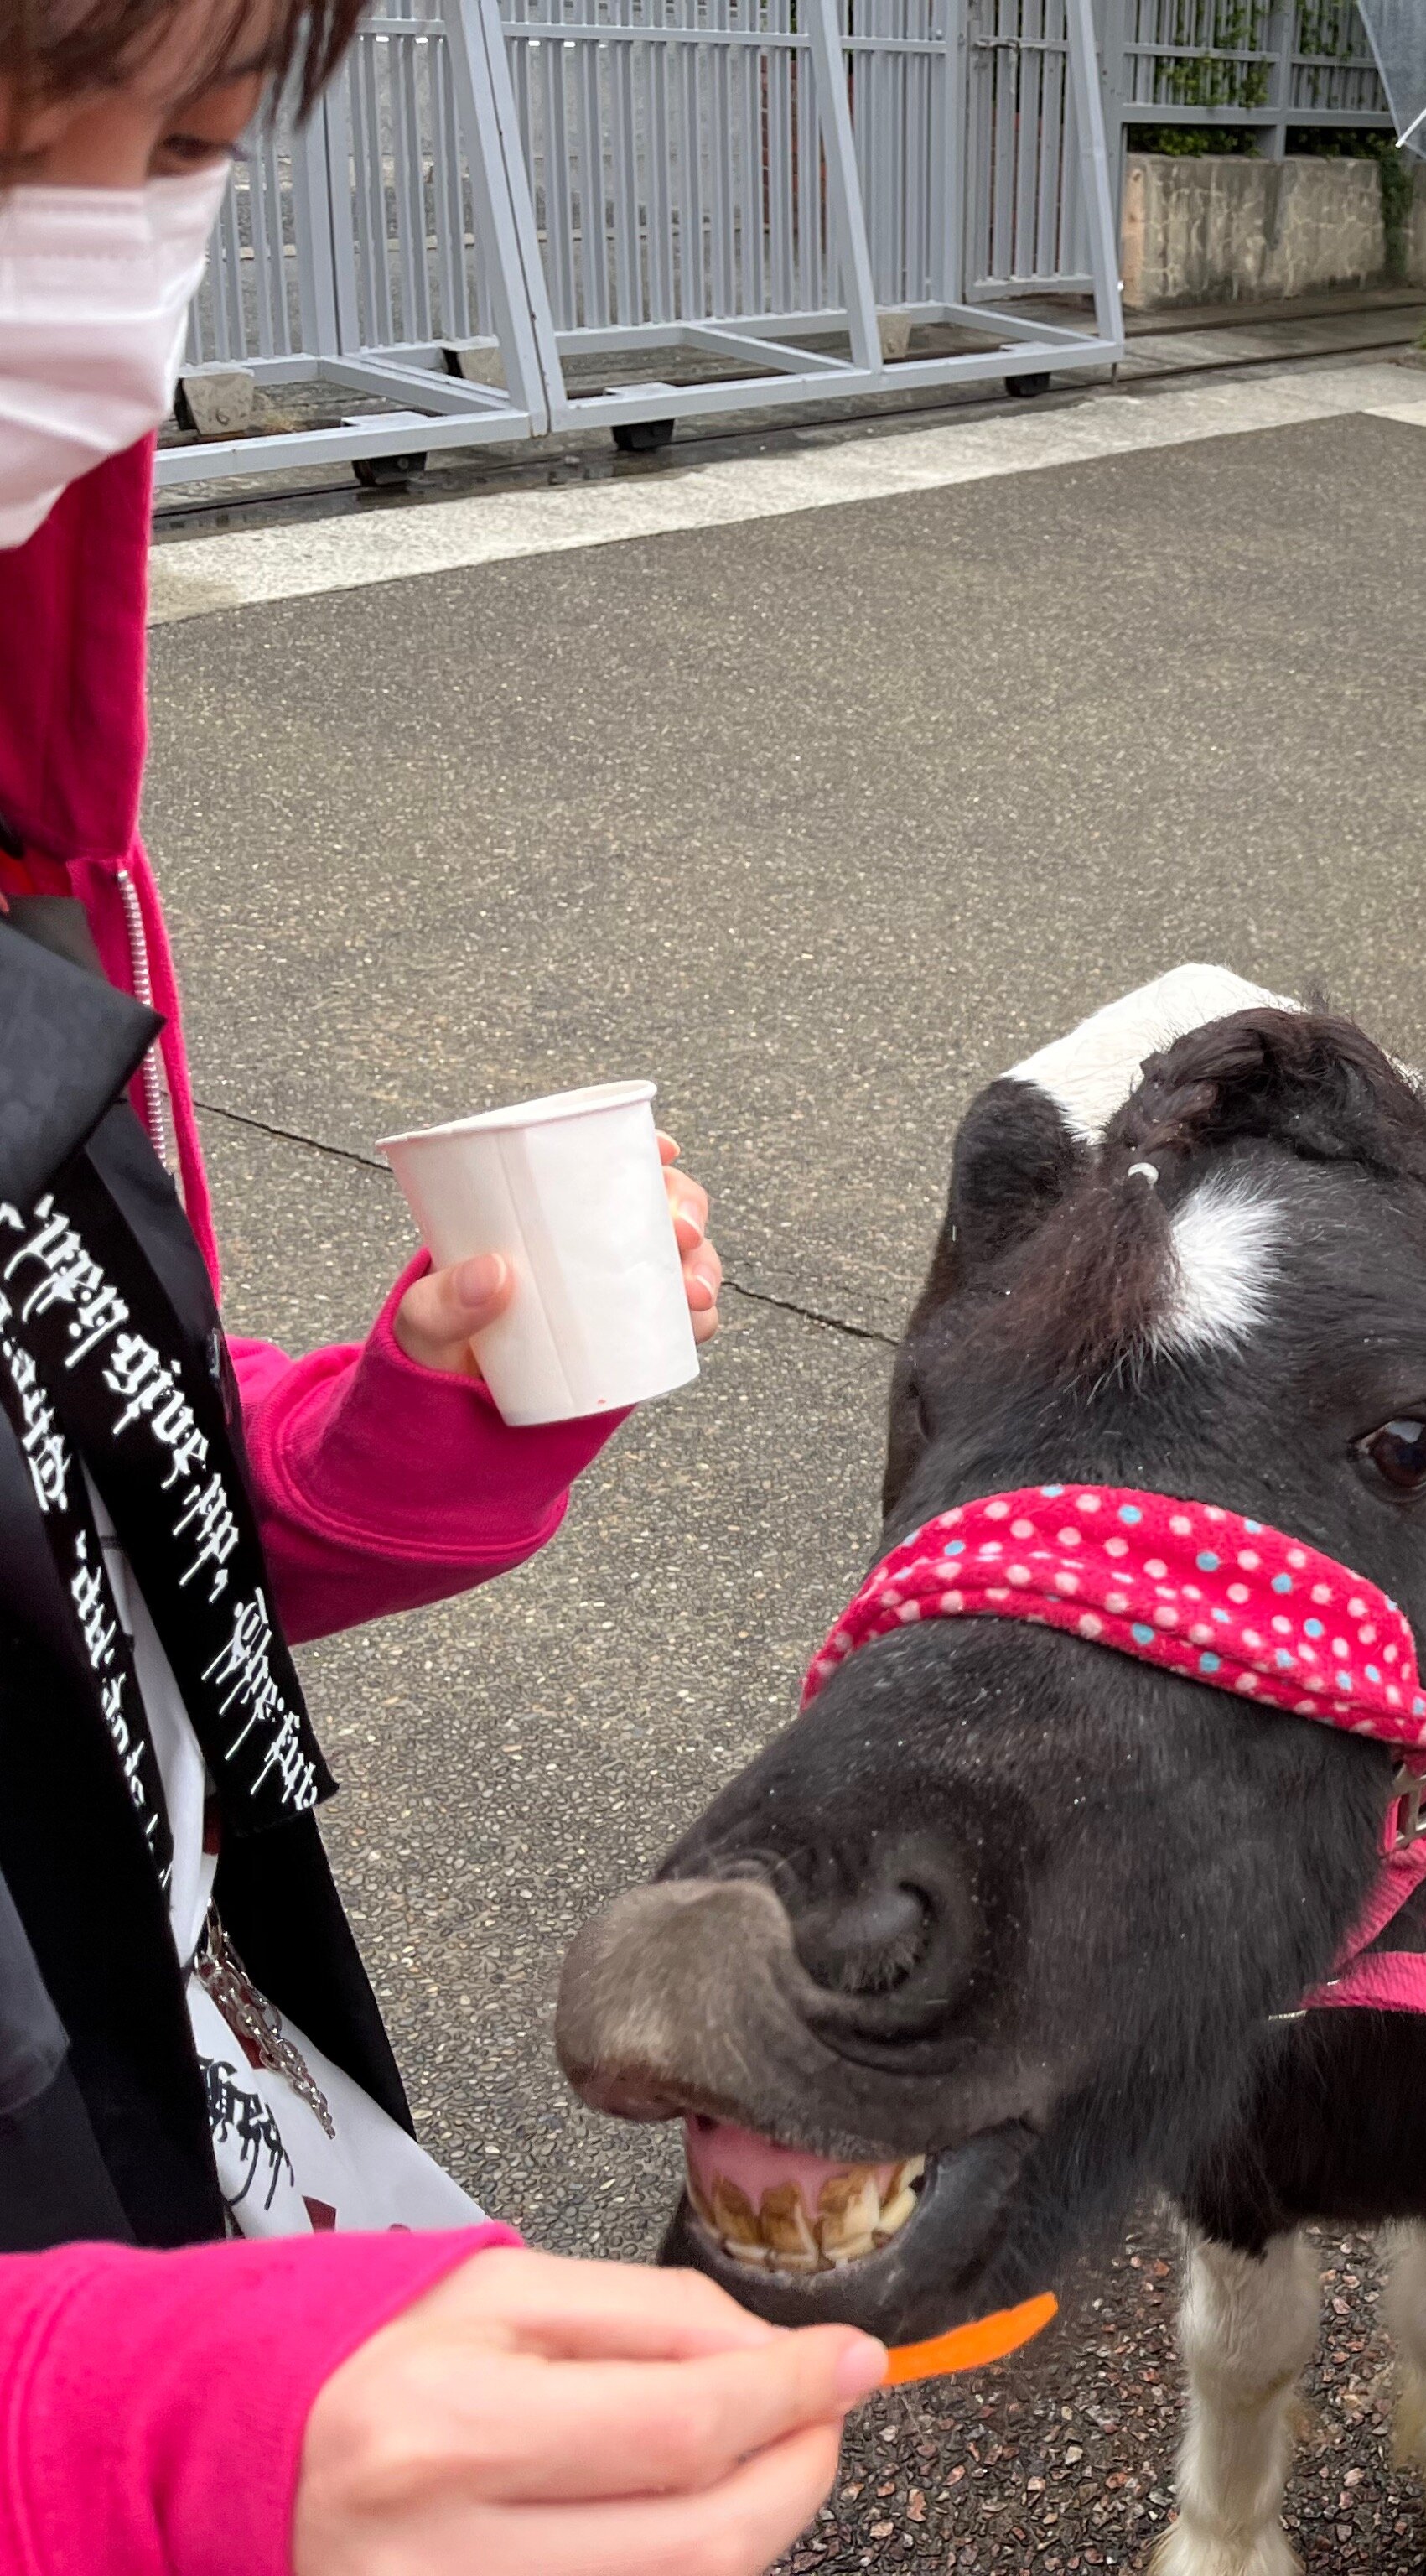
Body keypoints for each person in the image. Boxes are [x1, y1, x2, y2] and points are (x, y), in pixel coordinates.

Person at [0, 2, 874, 2564]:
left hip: (190, 2130)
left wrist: (426, 1422)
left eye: (174, 153)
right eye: (28, 134)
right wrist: (125, 2436)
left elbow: (88, 1576)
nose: (92, 258)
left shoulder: (30, 891)